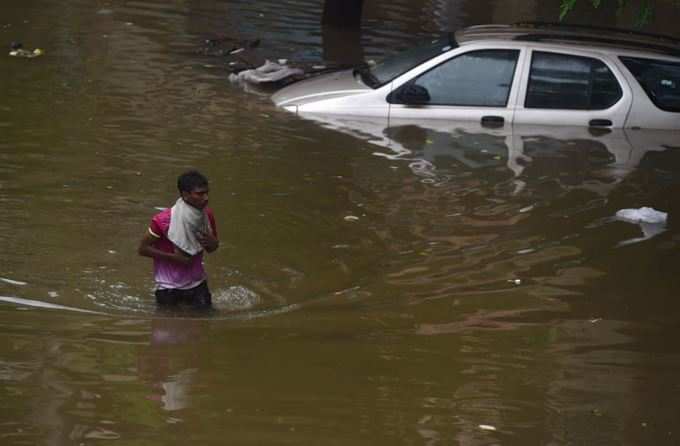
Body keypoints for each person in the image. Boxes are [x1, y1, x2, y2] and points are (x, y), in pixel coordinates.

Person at [138, 170, 219, 309]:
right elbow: (142, 249)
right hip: (168, 288)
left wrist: (214, 243)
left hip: (198, 284)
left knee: (204, 325)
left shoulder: (206, 215)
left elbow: (211, 248)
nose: (205, 198)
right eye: (200, 194)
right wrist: (174, 258)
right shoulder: (163, 220)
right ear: (185, 195)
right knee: (169, 325)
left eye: (207, 193)